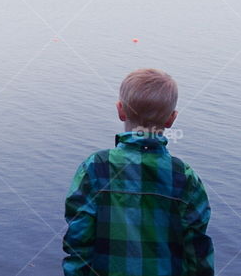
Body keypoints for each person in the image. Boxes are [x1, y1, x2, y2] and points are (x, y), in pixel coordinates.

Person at [62, 68, 214, 276]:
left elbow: (78, 240)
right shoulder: (185, 178)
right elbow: (197, 251)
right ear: (171, 119)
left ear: (120, 110)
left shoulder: (96, 168)